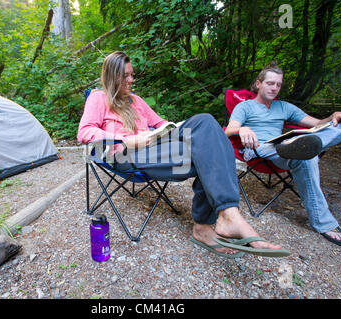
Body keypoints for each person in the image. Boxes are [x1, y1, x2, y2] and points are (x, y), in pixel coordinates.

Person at [78, 51, 290, 258]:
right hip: (126, 156)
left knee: (205, 123)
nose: (132, 79)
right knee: (207, 156)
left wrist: (166, 130)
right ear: (112, 75)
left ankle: (222, 218)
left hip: (155, 149)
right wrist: (129, 140)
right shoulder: (99, 98)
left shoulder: (136, 101)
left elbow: (160, 123)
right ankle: (212, 223)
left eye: (132, 74)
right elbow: (84, 132)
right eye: (126, 76)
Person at [225, 62, 341, 248]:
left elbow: (318, 124)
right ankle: (325, 223)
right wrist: (243, 128)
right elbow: (229, 130)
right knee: (301, 151)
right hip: (259, 149)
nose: (275, 88)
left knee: (340, 129)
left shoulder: (285, 107)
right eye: (270, 83)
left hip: (286, 151)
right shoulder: (245, 107)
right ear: (258, 84)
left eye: (278, 84)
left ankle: (299, 146)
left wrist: (334, 116)